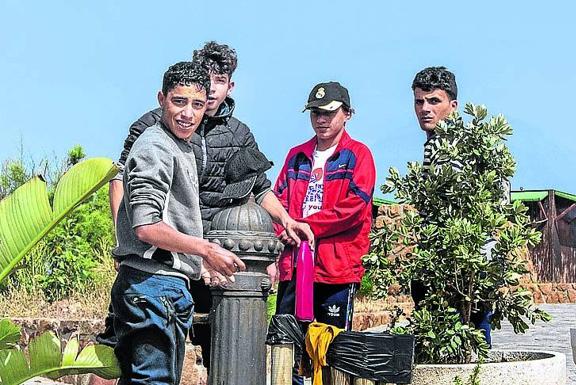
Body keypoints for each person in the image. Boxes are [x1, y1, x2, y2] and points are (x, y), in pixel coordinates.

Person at [102, 41, 313, 366]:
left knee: (226, 346)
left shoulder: (238, 134)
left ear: (230, 85)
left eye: (220, 80)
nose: (212, 89)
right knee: (117, 349)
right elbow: (121, 182)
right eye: (207, 78)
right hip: (159, 258)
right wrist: (126, 246)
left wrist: (285, 220)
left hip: (216, 258)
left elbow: (258, 189)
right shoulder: (154, 128)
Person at [111, 61, 246, 385]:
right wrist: (205, 250)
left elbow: (169, 222)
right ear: (162, 99)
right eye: (179, 101)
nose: (188, 113)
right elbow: (147, 227)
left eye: (197, 105)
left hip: (162, 285)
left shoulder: (179, 145)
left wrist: (196, 266)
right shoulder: (155, 147)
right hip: (152, 288)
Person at [272, 81, 376, 384]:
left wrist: (305, 226)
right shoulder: (295, 156)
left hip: (336, 269)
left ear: (347, 114)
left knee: (332, 349)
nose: (322, 119)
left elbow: (355, 207)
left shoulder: (358, 155)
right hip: (294, 267)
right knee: (287, 346)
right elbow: (277, 200)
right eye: (316, 113)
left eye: (329, 113)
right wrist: (285, 229)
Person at [410, 66, 493, 346]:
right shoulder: (431, 146)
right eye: (419, 101)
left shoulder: (469, 145)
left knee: (474, 350)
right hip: (436, 263)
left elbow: (494, 201)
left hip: (466, 267)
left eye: (434, 101)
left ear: (452, 106)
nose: (425, 108)